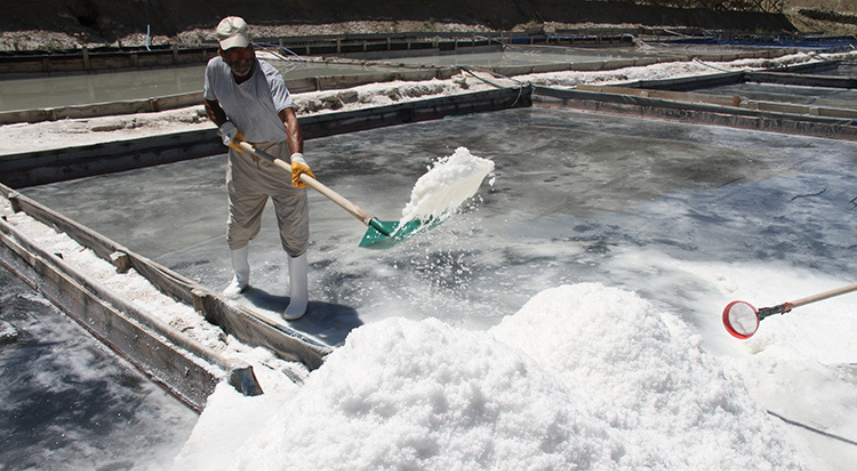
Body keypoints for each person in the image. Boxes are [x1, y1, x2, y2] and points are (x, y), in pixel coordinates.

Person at [203, 16, 314, 320]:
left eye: (243, 51)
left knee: (293, 227)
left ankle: (299, 295)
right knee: (238, 224)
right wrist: (224, 124)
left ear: (251, 48)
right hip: (242, 154)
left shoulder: (270, 77)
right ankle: (241, 278)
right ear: (221, 52)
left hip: (279, 156)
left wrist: (297, 158)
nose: (239, 59)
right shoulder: (214, 69)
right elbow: (210, 101)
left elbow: (289, 118)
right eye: (231, 53)